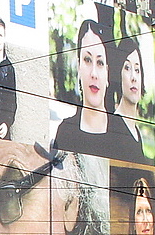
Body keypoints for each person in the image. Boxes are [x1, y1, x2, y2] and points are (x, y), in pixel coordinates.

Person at [55, 19, 140, 162]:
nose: (93, 73)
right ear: (78, 67)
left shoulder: (123, 135)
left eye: (100, 63)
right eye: (87, 60)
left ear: (107, 72)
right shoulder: (65, 132)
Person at [113, 36, 151, 164]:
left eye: (137, 70)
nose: (134, 77)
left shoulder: (136, 132)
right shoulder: (114, 126)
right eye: (127, 68)